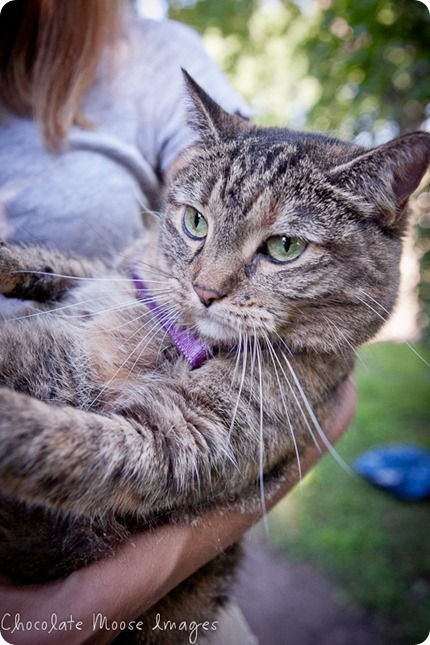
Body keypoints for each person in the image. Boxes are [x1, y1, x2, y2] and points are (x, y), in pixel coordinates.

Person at [0, 1, 357, 643]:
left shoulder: (154, 55)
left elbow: (161, 457)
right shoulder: (175, 252)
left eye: (278, 248)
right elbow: (111, 276)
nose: (208, 285)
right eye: (196, 225)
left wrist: (81, 606)